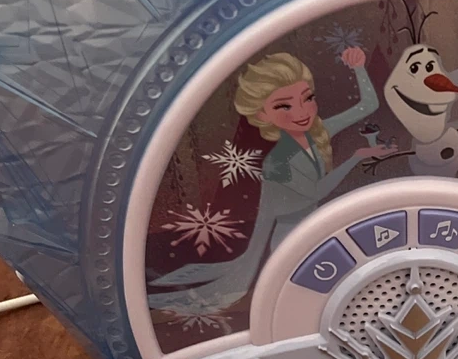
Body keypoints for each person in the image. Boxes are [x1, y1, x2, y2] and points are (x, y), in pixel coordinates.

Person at [150, 47, 389, 313]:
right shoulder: (277, 162)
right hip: (290, 240)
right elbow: (316, 192)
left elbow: (368, 106)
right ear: (262, 115)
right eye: (284, 106)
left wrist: (359, 68)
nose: (301, 111)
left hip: (317, 230)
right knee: (306, 303)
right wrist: (356, 157)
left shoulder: (317, 132)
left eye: (307, 98)